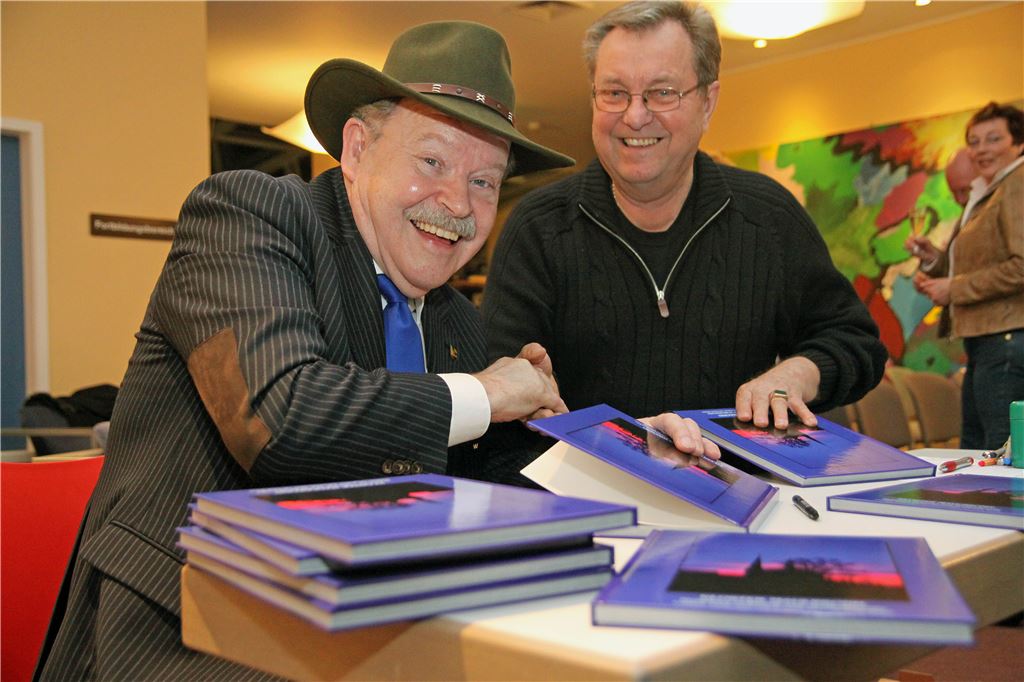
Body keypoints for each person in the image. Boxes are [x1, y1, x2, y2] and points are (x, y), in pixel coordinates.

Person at [37, 21, 720, 680]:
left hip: (368, 626)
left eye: (485, 182)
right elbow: (277, 418)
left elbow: (480, 476)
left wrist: (619, 454)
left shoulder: (453, 317)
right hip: (185, 630)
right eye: (432, 161)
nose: (457, 202)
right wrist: (487, 393)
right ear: (358, 149)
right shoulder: (247, 217)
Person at [482, 1, 886, 445]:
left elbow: (856, 342)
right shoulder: (538, 228)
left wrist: (800, 370)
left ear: (707, 103)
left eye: (662, 92)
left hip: (742, 496)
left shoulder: (769, 218)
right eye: (614, 93)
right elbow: (494, 397)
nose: (635, 116)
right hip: (588, 497)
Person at [906, 101, 1024, 450]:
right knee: (979, 451)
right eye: (974, 141)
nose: (981, 149)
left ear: (1018, 143)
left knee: (1000, 455)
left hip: (1005, 340)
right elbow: (983, 262)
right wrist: (934, 260)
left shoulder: (1017, 184)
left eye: (993, 139)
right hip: (988, 340)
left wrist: (953, 288)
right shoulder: (990, 191)